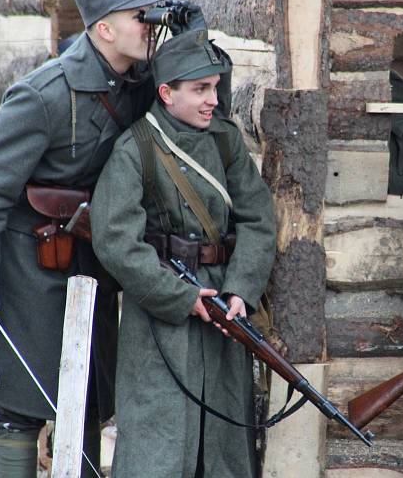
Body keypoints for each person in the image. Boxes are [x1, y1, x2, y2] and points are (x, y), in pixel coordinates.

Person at [0, 0, 162, 477]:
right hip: (28, 269)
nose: (150, 26)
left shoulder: (139, 81)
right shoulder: (43, 94)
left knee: (85, 399)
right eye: (140, 17)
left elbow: (198, 95)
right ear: (104, 29)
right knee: (20, 406)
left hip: (91, 261)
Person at [89, 27, 276, 478]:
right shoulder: (134, 149)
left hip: (223, 309)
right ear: (167, 93)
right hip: (160, 314)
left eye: (214, 87)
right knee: (160, 438)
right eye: (199, 90)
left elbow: (258, 220)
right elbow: (116, 240)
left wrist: (241, 291)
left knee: (223, 443)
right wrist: (179, 298)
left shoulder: (226, 140)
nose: (212, 99)